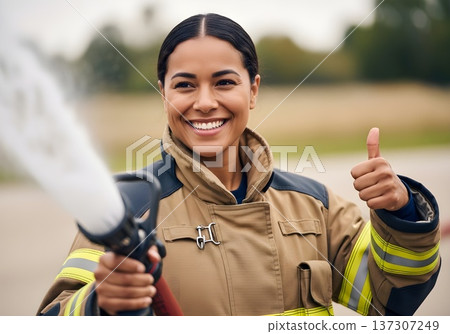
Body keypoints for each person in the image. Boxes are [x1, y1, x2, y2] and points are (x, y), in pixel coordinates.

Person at [37, 13, 440, 316]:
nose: (205, 101)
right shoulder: (126, 208)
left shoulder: (314, 204)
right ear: (163, 93)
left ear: (253, 89)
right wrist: (99, 305)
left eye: (225, 82)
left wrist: (400, 211)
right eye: (185, 85)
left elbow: (391, 299)